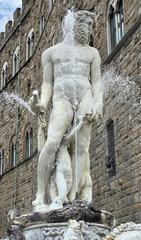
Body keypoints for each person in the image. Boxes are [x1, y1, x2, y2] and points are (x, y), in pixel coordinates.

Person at [31, 10, 103, 212]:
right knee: (52, 142)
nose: (89, 30)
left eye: (90, 26)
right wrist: (43, 103)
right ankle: (40, 193)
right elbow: (47, 84)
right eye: (86, 26)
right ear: (73, 26)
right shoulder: (51, 53)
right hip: (61, 99)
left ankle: (71, 197)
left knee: (81, 146)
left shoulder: (92, 53)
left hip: (85, 97)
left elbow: (96, 82)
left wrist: (99, 103)